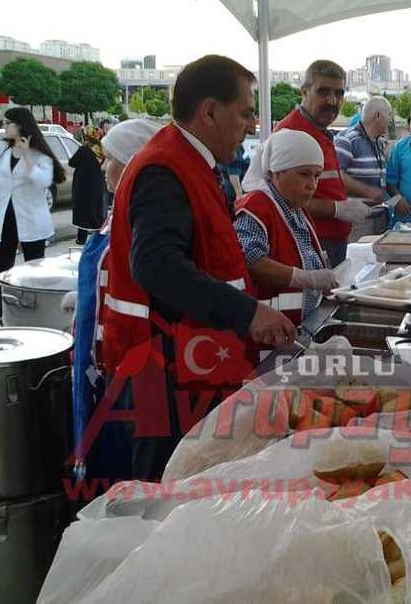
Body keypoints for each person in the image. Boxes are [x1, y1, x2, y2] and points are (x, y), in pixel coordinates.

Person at [99, 55, 297, 481]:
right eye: (245, 113)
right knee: (167, 480)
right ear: (209, 111)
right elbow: (156, 264)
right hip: (163, 365)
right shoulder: (163, 168)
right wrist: (247, 313)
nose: (251, 125)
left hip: (196, 359)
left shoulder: (197, 164)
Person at [72, 118, 163, 485]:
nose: (102, 166)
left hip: (130, 362)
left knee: (124, 463)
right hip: (105, 357)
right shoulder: (117, 216)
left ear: (130, 163)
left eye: (108, 158)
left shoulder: (139, 221)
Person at [0, 107, 66, 329]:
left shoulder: (39, 153)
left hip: (31, 218)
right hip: (4, 216)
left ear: (20, 125)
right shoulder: (1, 148)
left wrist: (27, 158)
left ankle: (35, 318)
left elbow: (43, 181)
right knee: (1, 268)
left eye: (8, 123)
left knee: (34, 270)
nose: (4, 127)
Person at [235, 130, 336, 340]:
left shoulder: (297, 210)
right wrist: (305, 278)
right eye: (303, 174)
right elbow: (249, 260)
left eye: (316, 175)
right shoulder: (257, 207)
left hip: (297, 329)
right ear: (275, 172)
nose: (312, 184)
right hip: (266, 341)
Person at [276, 60, 372, 267]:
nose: (332, 101)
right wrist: (337, 209)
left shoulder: (320, 132)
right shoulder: (291, 134)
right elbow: (282, 202)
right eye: (323, 92)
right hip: (309, 244)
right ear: (304, 92)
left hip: (331, 243)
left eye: (339, 94)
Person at [334, 96, 392, 205]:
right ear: (378, 115)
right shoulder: (347, 139)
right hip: (356, 219)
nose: (390, 121)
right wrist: (368, 191)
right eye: (389, 115)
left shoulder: (380, 143)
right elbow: (336, 177)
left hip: (378, 216)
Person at [70, 126, 107, 245]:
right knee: (96, 209)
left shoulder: (84, 149)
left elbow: (72, 162)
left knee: (82, 210)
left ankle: (81, 239)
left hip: (82, 185)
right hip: (97, 185)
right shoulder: (101, 151)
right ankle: (98, 237)